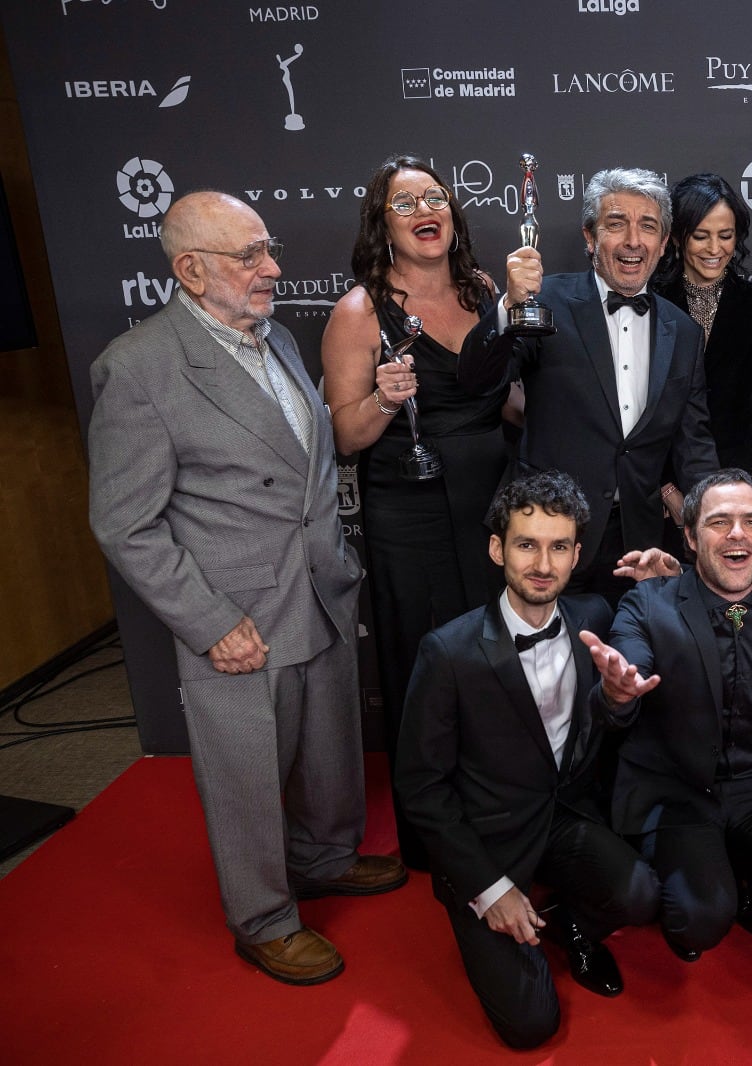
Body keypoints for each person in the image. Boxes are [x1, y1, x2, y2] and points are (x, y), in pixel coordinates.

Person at [86, 191, 405, 986]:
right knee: (247, 778)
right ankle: (262, 918)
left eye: (270, 249)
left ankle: (325, 858)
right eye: (251, 256)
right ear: (191, 271)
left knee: (329, 749)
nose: (274, 269)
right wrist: (207, 620)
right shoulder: (140, 369)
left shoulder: (278, 341)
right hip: (235, 616)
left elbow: (309, 458)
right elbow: (125, 524)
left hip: (320, 591)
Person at [395, 472, 658, 1050]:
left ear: (576, 554)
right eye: (526, 544)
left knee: (641, 894)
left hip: (561, 817)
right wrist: (489, 889)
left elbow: (613, 707)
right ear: (497, 549)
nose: (543, 563)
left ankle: (569, 922)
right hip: (486, 839)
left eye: (558, 546)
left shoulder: (592, 617)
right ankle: (505, 916)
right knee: (532, 1027)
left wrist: (617, 702)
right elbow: (420, 789)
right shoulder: (449, 652)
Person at [581, 470, 752, 961]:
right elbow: (623, 680)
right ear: (688, 538)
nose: (737, 533)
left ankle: (742, 861)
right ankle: (716, 872)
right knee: (700, 924)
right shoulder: (649, 603)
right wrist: (619, 692)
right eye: (719, 522)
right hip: (677, 786)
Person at [322, 153, 511, 868]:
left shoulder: (484, 288)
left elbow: (501, 397)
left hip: (493, 502)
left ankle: (499, 807)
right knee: (428, 667)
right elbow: (345, 434)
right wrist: (384, 399)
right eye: (405, 204)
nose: (425, 211)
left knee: (495, 658)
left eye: (435, 197)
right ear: (382, 224)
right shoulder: (361, 310)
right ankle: (434, 836)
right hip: (411, 513)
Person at [458, 167, 720, 605]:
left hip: (636, 542)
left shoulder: (684, 332)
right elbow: (477, 382)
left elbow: (694, 443)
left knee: (629, 662)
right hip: (545, 533)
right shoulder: (547, 302)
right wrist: (509, 308)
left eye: (648, 226)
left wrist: (715, 522)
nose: (634, 240)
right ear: (589, 236)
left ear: (663, 243)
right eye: (616, 224)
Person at [653, 174, 752, 499]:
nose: (715, 249)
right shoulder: (652, 302)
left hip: (744, 491)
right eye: (701, 236)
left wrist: (737, 492)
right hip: (664, 497)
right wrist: (667, 487)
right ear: (675, 237)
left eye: (725, 235)